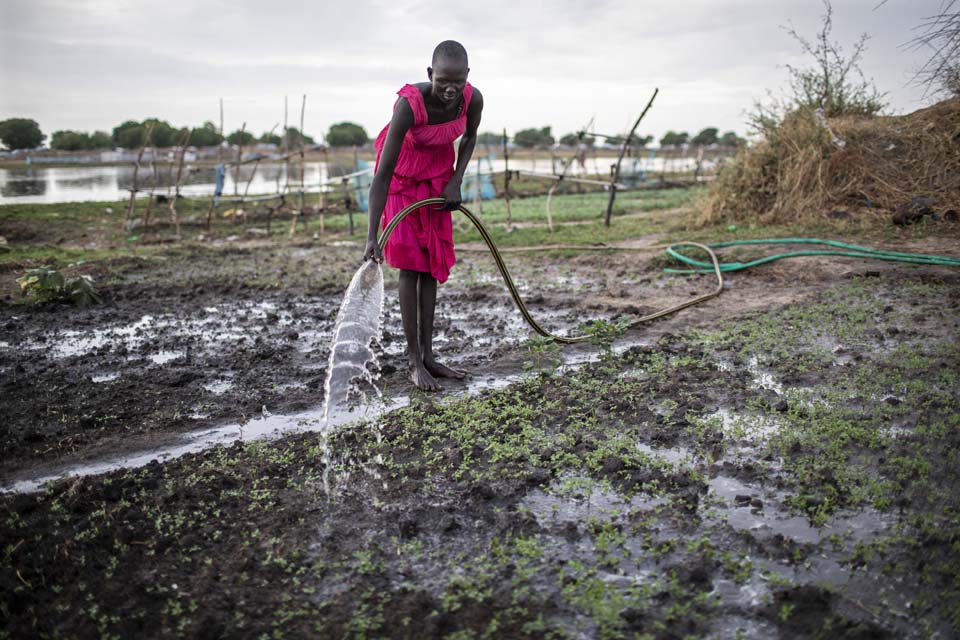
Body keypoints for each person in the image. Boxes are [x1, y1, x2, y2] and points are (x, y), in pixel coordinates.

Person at [363, 40, 484, 391]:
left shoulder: (472, 100)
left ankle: (429, 356)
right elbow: (382, 174)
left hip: (437, 178)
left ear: (467, 78)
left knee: (430, 263)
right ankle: (413, 360)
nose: (450, 89)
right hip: (402, 179)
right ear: (430, 74)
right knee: (411, 267)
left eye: (457, 82)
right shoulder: (409, 104)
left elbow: (470, 137)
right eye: (443, 80)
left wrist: (456, 181)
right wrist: (372, 235)